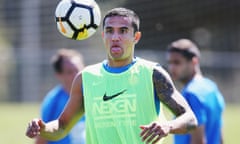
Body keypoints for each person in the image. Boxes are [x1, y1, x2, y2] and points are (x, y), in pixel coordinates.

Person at [26, 8, 198, 144]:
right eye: (109, 30)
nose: (115, 37)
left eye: (123, 31)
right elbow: (62, 126)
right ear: (103, 35)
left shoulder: (152, 73)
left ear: (136, 37)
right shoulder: (86, 78)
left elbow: (190, 119)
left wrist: (167, 126)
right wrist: (43, 128)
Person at [166, 39, 225, 144]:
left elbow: (198, 141)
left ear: (194, 61)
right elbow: (219, 136)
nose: (172, 68)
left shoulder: (191, 94)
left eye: (177, 62)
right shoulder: (212, 87)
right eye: (170, 63)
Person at [35, 48, 86, 144]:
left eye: (78, 69)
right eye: (70, 72)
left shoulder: (92, 95)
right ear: (59, 75)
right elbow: (41, 138)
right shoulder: (53, 101)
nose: (77, 75)